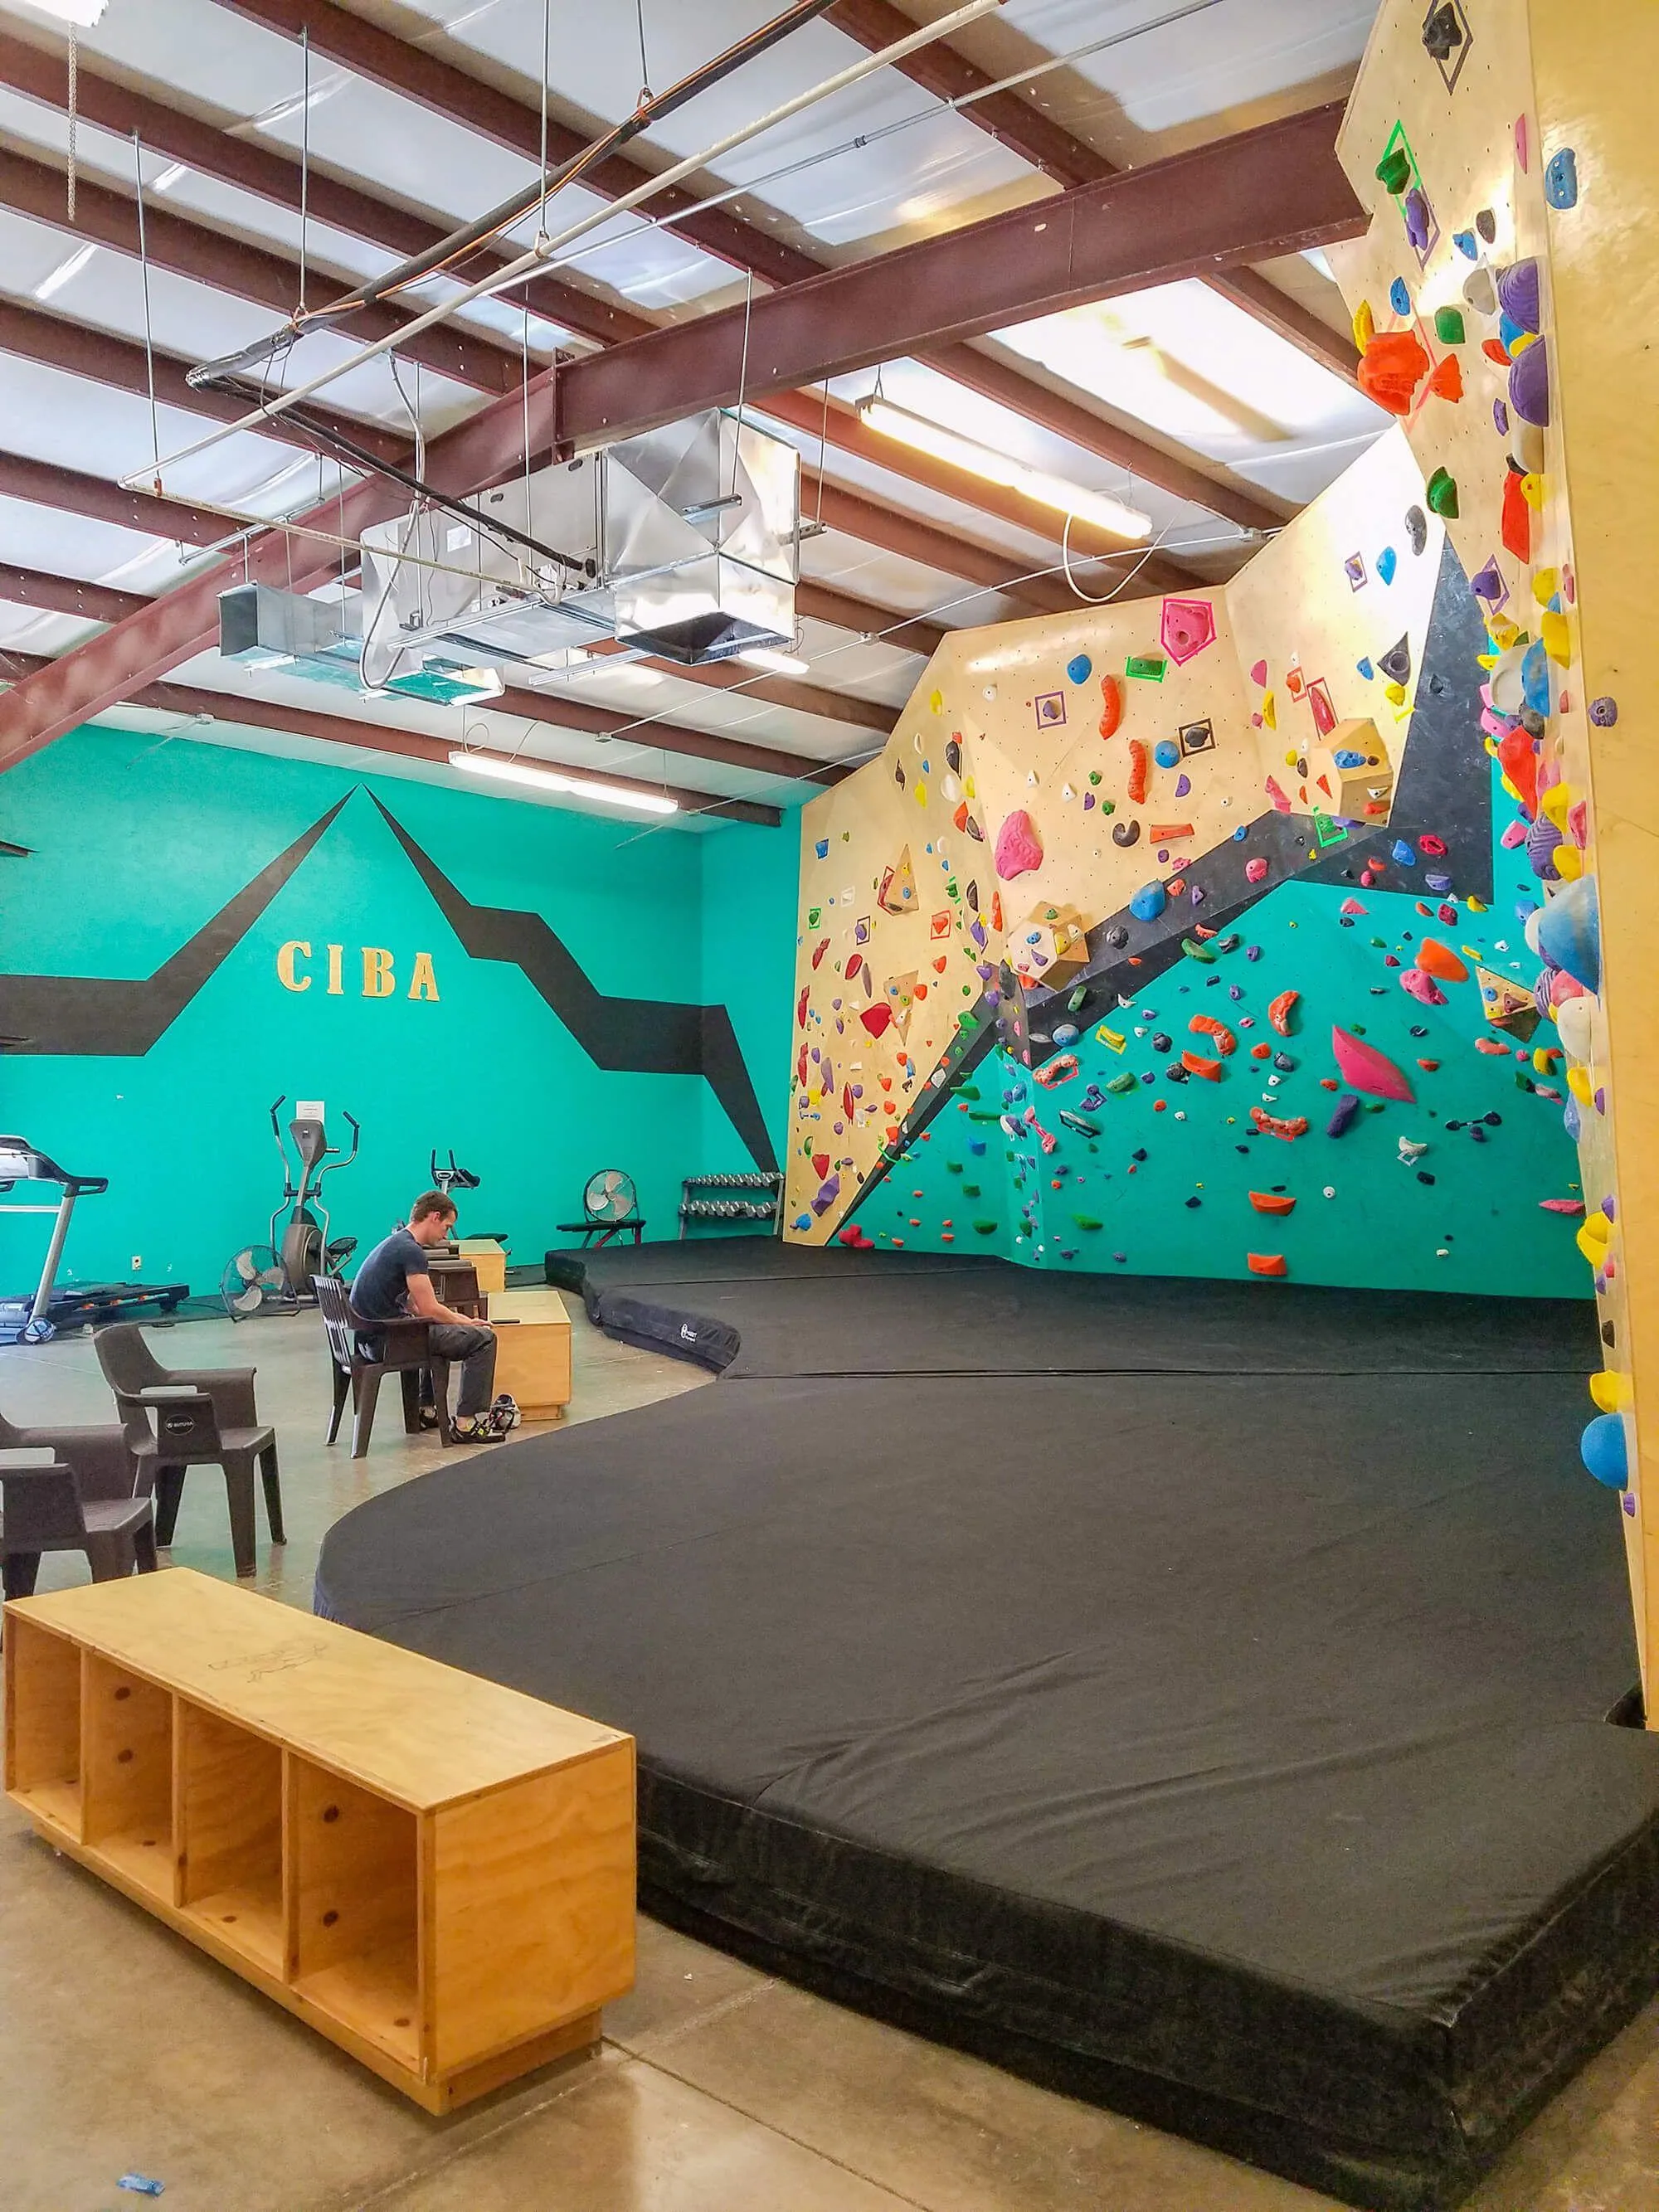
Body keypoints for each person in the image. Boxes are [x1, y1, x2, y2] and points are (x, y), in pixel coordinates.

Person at [351, 1190, 508, 1443]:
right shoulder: (411, 1251)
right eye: (447, 1226)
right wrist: (468, 1322)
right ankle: (466, 1423)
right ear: (434, 1217)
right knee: (484, 1339)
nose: (446, 1233)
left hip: (369, 1339)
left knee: (438, 1331)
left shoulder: (395, 1242)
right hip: (387, 1343)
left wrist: (445, 1319)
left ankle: (427, 1409)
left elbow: (413, 1303)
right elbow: (429, 1308)